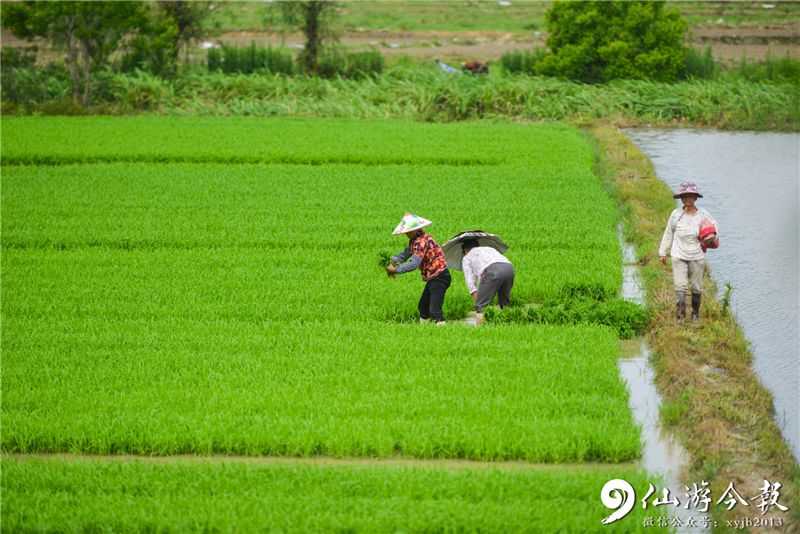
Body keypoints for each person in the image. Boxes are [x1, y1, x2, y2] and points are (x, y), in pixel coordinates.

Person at [658, 181, 718, 324]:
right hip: (678, 254)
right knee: (680, 286)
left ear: (695, 198)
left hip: (696, 255)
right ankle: (681, 318)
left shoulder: (703, 215)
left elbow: (714, 227)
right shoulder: (676, 215)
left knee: (696, 287)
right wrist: (662, 252)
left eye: (690, 196)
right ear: (681, 199)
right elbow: (668, 233)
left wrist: (711, 237)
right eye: (684, 196)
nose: (687, 199)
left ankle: (696, 314)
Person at [387, 213, 451, 325]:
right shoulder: (414, 241)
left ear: (415, 229)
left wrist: (396, 270)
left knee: (435, 310)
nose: (406, 233)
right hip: (433, 277)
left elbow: (414, 263)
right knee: (423, 307)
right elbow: (404, 255)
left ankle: (443, 334)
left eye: (408, 231)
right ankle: (424, 333)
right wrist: (389, 260)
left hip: (439, 276)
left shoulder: (421, 242)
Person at [461, 238, 515, 326]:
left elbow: (470, 282)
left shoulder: (466, 258)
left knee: (480, 307)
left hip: (492, 271)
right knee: (505, 304)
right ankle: (508, 327)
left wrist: (478, 302)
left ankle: (480, 332)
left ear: (465, 250)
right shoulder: (489, 249)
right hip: (509, 268)